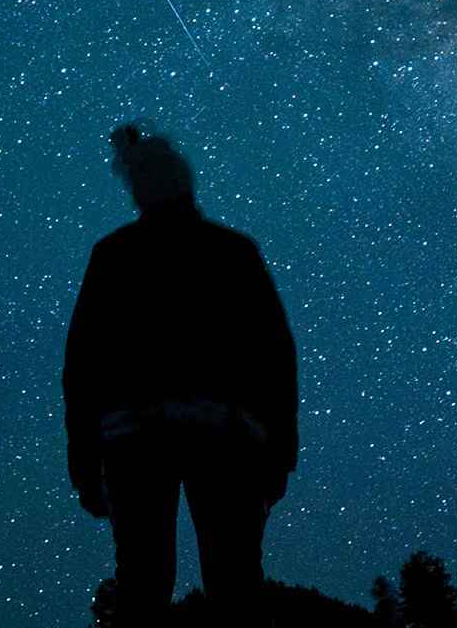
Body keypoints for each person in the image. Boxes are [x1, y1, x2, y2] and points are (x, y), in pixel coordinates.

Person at [64, 124, 299, 628]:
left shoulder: (113, 256)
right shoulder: (233, 253)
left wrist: (85, 463)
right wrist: (278, 454)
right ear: (186, 184)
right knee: (236, 583)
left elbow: (82, 366)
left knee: (142, 586)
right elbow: (276, 358)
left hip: (134, 439)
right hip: (226, 436)